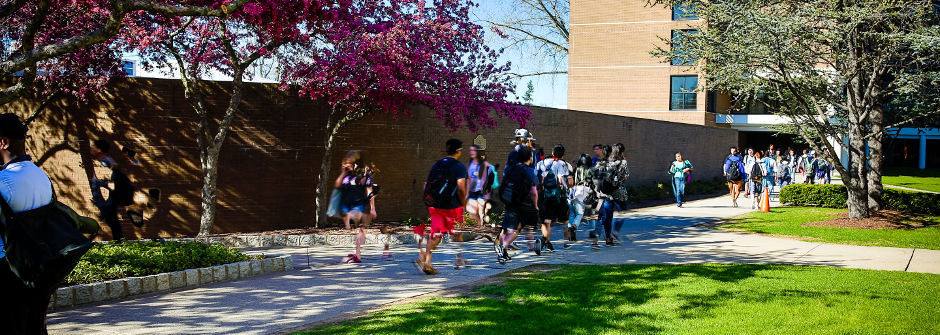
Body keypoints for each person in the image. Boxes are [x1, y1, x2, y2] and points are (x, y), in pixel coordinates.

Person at [0, 113, 56, 334]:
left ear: (3, 142)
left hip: (8, 273)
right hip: (38, 271)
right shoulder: (42, 176)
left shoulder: (4, 182)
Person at [419, 139, 468, 275]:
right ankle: (459, 260)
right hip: (453, 207)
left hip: (435, 206)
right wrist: (464, 203)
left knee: (435, 235)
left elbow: (426, 185)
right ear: (458, 151)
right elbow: (461, 188)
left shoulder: (437, 165)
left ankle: (427, 262)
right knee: (457, 234)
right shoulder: (460, 167)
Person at [495, 147, 539, 264]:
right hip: (521, 204)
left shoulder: (510, 168)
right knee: (516, 229)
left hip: (509, 201)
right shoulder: (529, 171)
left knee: (505, 228)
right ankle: (503, 247)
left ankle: (503, 253)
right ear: (530, 158)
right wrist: (535, 206)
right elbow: (534, 192)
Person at [335, 151, 378, 263]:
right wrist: (342, 172)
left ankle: (358, 254)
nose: (347, 164)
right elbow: (339, 186)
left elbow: (370, 192)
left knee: (359, 228)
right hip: (349, 204)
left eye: (349, 162)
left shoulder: (365, 176)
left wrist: (373, 208)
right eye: (346, 162)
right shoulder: (348, 175)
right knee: (360, 231)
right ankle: (358, 254)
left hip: (359, 205)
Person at [90, 139, 137, 241]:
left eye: (94, 147)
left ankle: (117, 241)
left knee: (110, 220)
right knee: (110, 220)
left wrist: (105, 198)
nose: (92, 148)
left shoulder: (105, 163)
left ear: (99, 150)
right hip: (107, 199)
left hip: (107, 199)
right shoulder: (106, 161)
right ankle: (118, 241)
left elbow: (109, 182)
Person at [534, 144, 574, 252]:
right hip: (559, 196)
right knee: (565, 220)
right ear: (563, 154)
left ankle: (546, 242)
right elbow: (561, 180)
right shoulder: (562, 164)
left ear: (552, 153)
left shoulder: (541, 163)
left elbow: (535, 177)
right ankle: (567, 242)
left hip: (545, 194)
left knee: (546, 220)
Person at [592, 143, 630, 245]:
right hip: (618, 192)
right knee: (622, 212)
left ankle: (604, 238)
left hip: (605, 192)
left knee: (605, 215)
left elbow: (594, 174)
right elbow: (625, 176)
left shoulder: (604, 162)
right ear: (621, 152)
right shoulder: (623, 162)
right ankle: (615, 231)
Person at [567, 154, 593, 244]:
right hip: (582, 192)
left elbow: (570, 182)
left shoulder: (575, 169)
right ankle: (574, 226)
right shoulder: (589, 170)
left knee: (572, 214)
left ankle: (571, 232)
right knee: (580, 213)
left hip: (573, 192)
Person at [466, 145, 491, 227]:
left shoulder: (483, 164)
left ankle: (480, 229)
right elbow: (469, 179)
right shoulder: (470, 163)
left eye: (473, 150)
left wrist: (486, 192)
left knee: (480, 212)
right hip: (472, 191)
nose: (471, 152)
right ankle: (478, 225)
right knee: (471, 211)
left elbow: (485, 179)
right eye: (470, 150)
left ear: (477, 152)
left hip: (481, 191)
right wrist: (467, 193)